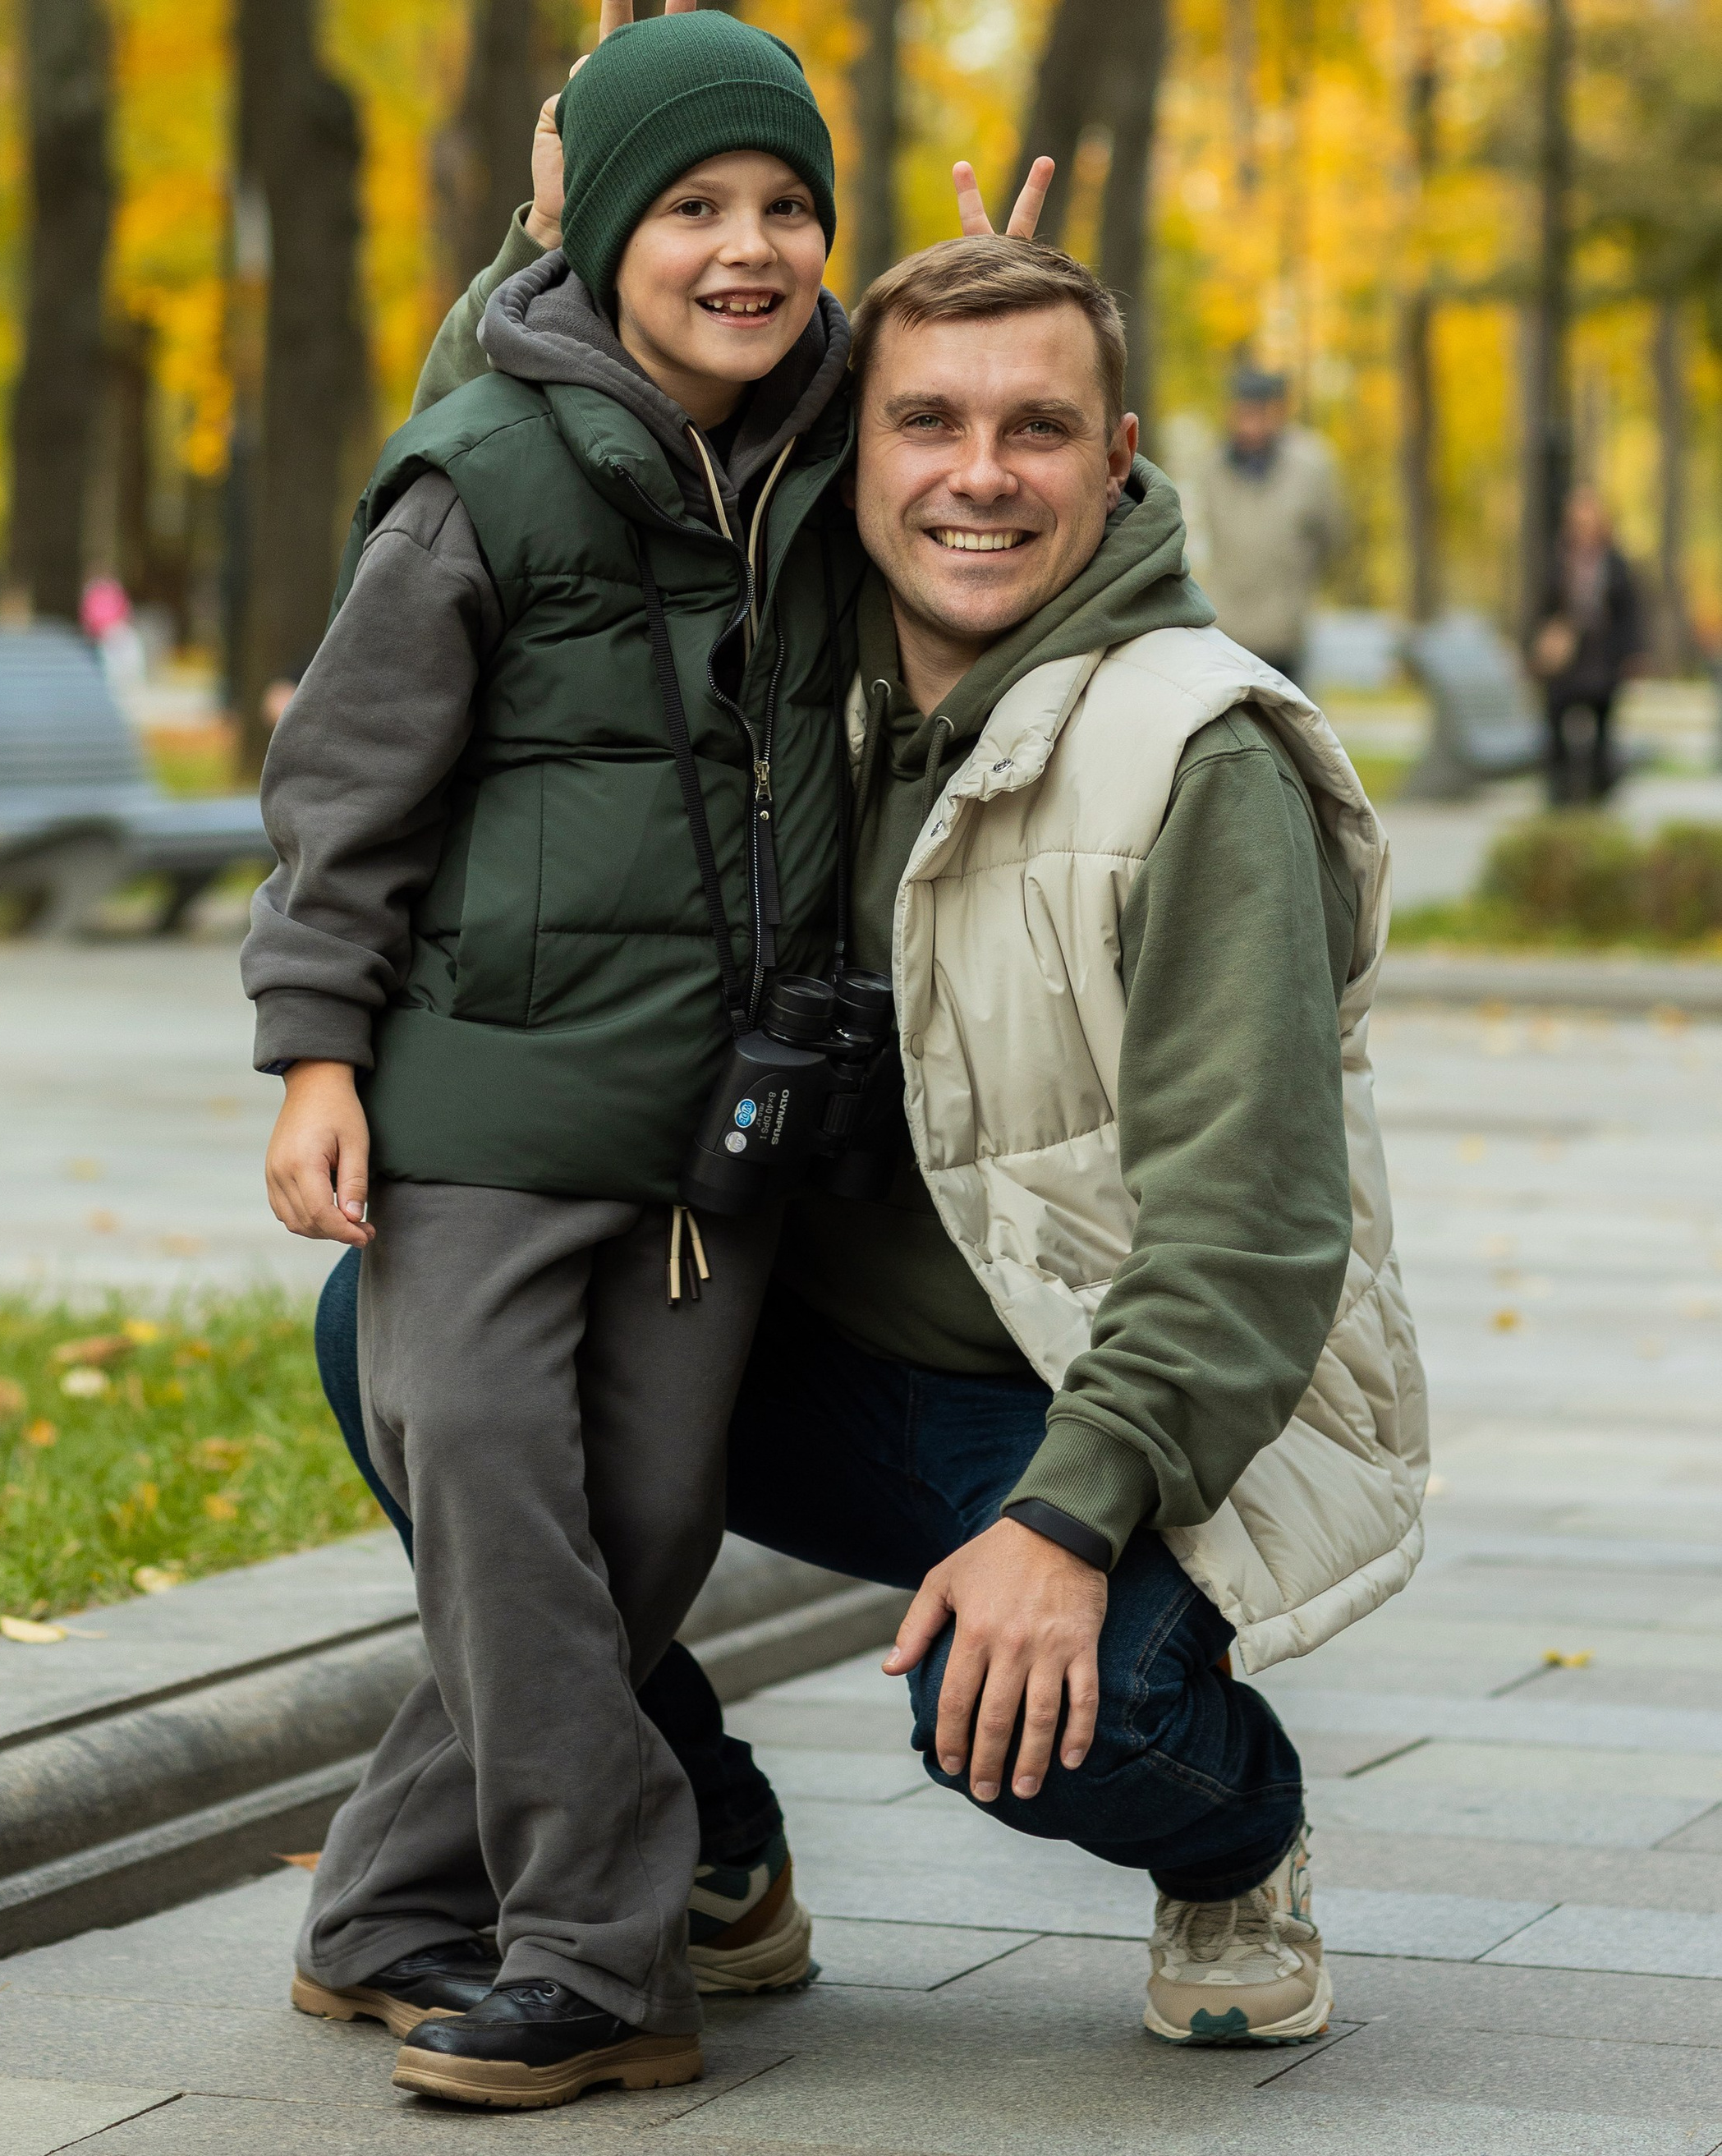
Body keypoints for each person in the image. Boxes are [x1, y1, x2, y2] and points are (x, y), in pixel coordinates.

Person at [333, 184, 1427, 2055]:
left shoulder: (1191, 750)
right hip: (808, 1351)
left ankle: (1237, 1829)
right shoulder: (801, 651)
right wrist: (560, 253)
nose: (975, 474)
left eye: (1034, 426)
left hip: (1083, 1395)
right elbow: (533, 511)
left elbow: (1248, 1234)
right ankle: (712, 1847)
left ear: (1118, 457)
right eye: (926, 420)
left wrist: (1064, 1524)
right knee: (407, 1345)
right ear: (855, 453)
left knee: (1028, 1718)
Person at [244, 8, 862, 2111]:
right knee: (486, 1468)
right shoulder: (480, 468)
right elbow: (343, 782)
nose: (746, 246)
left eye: (785, 206)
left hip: (719, 1124)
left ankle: (382, 1902)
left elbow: (1022, 473)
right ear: (594, 231)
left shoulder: (837, 454)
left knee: (641, 1518)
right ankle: (599, 1953)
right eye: (688, 204)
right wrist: (314, 1049)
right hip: (484, 1098)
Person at [1187, 365, 1346, 687]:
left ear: (1278, 413)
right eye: (1243, 411)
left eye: (1260, 411)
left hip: (1287, 633)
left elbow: (1334, 538)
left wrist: (1297, 584)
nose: (1251, 422)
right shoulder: (1210, 468)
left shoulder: (1312, 465)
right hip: (1226, 631)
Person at [1531, 484, 1644, 806]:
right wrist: (1542, 646)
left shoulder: (1616, 563)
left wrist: (1633, 655)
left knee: (1604, 717)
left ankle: (1599, 786)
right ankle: (1560, 788)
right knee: (1554, 711)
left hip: (1603, 660)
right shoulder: (1557, 561)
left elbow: (1629, 612)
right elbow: (1542, 610)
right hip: (1566, 664)